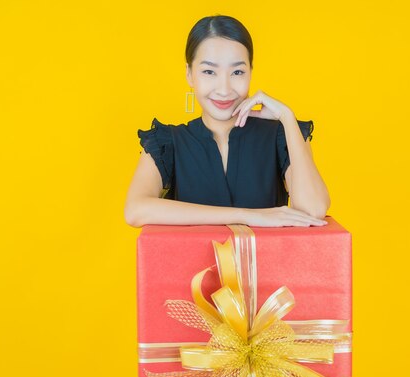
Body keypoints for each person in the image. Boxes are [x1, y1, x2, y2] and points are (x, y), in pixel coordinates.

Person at [125, 15, 330, 228]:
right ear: (189, 74)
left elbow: (313, 210)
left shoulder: (282, 135)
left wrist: (287, 117)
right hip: (193, 263)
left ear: (251, 71)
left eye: (237, 72)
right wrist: (246, 216)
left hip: (270, 262)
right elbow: (135, 210)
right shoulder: (167, 142)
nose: (224, 89)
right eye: (209, 71)